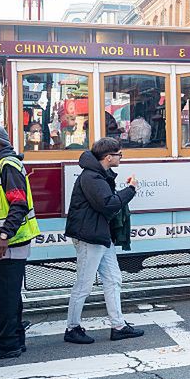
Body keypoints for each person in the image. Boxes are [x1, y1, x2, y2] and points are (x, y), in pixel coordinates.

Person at [63, 138, 144, 344]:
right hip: (91, 235)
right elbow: (108, 204)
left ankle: (118, 326)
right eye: (119, 154)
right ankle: (72, 328)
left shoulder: (96, 174)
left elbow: (105, 201)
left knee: (113, 279)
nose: (120, 157)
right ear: (108, 157)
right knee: (84, 284)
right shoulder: (92, 177)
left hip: (99, 234)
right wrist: (131, 190)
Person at [0, 125, 41, 361]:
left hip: (8, 245)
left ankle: (7, 345)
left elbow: (18, 205)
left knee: (3, 297)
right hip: (8, 245)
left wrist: (3, 236)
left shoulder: (7, 166)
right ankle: (15, 341)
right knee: (9, 296)